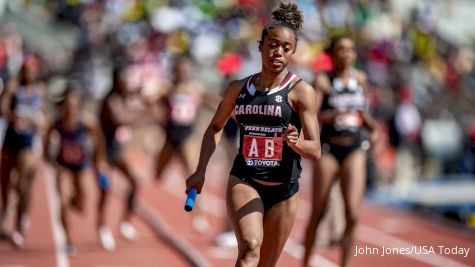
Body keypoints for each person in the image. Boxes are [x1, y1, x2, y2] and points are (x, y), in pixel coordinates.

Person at [185, 2, 321, 266]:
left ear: (293, 52)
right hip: (245, 180)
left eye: (286, 48)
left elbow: (315, 149)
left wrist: (297, 142)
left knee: (265, 264)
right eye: (272, 44)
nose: (278, 52)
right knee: (249, 248)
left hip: (285, 189)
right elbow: (215, 127)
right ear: (260, 46)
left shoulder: (302, 92)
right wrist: (200, 169)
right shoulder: (238, 88)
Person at [302, 36, 379, 267]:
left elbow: (363, 114)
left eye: (351, 49)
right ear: (332, 54)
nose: (346, 54)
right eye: (341, 49)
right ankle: (305, 261)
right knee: (319, 210)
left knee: (353, 213)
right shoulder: (324, 81)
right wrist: (333, 114)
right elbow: (312, 115)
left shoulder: (361, 79)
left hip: (354, 148)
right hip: (329, 148)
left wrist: (374, 131)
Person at [43, 84, 115, 255]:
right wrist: (56, 166)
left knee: (82, 205)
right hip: (64, 167)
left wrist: (101, 161)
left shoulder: (87, 124)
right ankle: (68, 241)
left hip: (82, 167)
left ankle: (75, 199)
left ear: (78, 107)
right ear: (62, 107)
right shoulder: (56, 125)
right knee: (63, 201)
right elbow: (46, 153)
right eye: (67, 106)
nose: (70, 110)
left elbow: (100, 142)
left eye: (74, 107)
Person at [154, 55, 219, 233]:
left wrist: (226, 108)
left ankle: (199, 215)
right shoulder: (167, 88)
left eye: (185, 69)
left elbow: (212, 101)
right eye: (180, 69)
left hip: (187, 136)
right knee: (157, 173)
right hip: (169, 137)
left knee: (193, 173)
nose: (183, 73)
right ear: (174, 71)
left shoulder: (195, 88)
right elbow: (152, 100)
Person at [99, 66, 156, 241]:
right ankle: (102, 226)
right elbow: (121, 119)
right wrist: (146, 116)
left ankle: (125, 222)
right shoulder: (110, 101)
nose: (127, 84)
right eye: (125, 81)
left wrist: (143, 96)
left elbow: (138, 98)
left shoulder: (122, 97)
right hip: (104, 154)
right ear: (117, 82)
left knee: (134, 181)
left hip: (118, 151)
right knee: (105, 190)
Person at [0, 55, 46, 247]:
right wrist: (13, 113)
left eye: (31, 69)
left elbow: (45, 116)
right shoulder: (13, 88)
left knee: (24, 183)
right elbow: (2, 109)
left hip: (29, 143)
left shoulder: (40, 91)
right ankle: (6, 214)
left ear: (36, 71)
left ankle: (20, 223)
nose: (28, 73)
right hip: (11, 141)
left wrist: (39, 122)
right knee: (5, 183)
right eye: (25, 69)